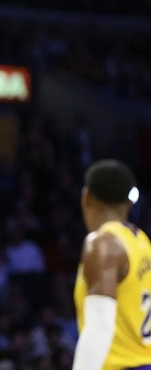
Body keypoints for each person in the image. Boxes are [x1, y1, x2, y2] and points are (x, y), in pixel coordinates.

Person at [72, 158, 151, 370]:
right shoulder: (141, 240)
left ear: (86, 198)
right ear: (129, 204)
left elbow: (99, 328)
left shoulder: (102, 244)